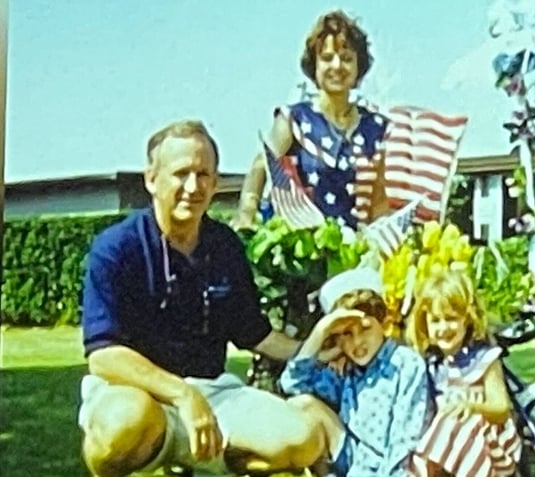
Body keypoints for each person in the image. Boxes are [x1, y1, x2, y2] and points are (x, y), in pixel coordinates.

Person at [77, 119, 350, 477]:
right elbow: (103, 356)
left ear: (216, 182)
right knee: (123, 424)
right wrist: (182, 396)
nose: (193, 186)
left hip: (213, 395)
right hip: (138, 393)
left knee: (302, 440)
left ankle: (206, 462)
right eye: (181, 173)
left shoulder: (224, 246)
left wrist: (316, 347)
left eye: (204, 174)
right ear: (151, 179)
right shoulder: (116, 248)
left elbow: (255, 334)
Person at [232, 9, 390, 230]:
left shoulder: (376, 128)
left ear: (358, 66)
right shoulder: (294, 119)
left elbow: (379, 198)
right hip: (301, 248)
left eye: (346, 59)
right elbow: (261, 166)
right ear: (314, 66)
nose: (337, 66)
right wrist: (246, 212)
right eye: (326, 58)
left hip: (355, 251)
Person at [279, 267, 432, 476]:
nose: (357, 342)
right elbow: (292, 384)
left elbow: (406, 442)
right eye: (346, 334)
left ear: (383, 323)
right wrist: (321, 333)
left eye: (366, 329)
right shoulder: (347, 369)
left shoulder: (405, 364)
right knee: (303, 405)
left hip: (389, 471)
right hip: (352, 465)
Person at [406, 269, 522, 477]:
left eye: (450, 318)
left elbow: (501, 408)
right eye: (435, 320)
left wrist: (472, 406)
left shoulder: (483, 358)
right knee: (426, 438)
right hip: (446, 446)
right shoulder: (432, 363)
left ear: (466, 320)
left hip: (489, 442)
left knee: (457, 420)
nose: (443, 328)